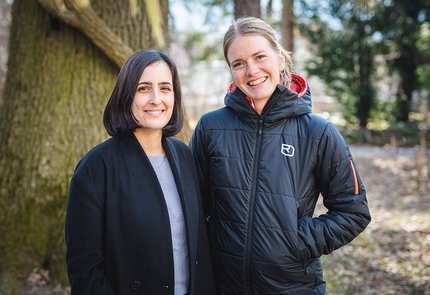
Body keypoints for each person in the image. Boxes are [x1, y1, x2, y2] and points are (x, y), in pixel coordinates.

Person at [189, 16, 371, 295]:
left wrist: (294, 242)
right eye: (238, 63)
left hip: (294, 287)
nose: (251, 70)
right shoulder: (210, 127)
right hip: (223, 286)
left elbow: (353, 211)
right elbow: (194, 207)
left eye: (260, 57)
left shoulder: (319, 132)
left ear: (281, 59)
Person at [65, 49, 216, 295]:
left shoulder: (184, 156)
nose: (156, 99)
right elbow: (85, 272)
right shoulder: (96, 168)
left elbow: (199, 247)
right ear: (126, 96)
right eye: (143, 88)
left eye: (165, 88)